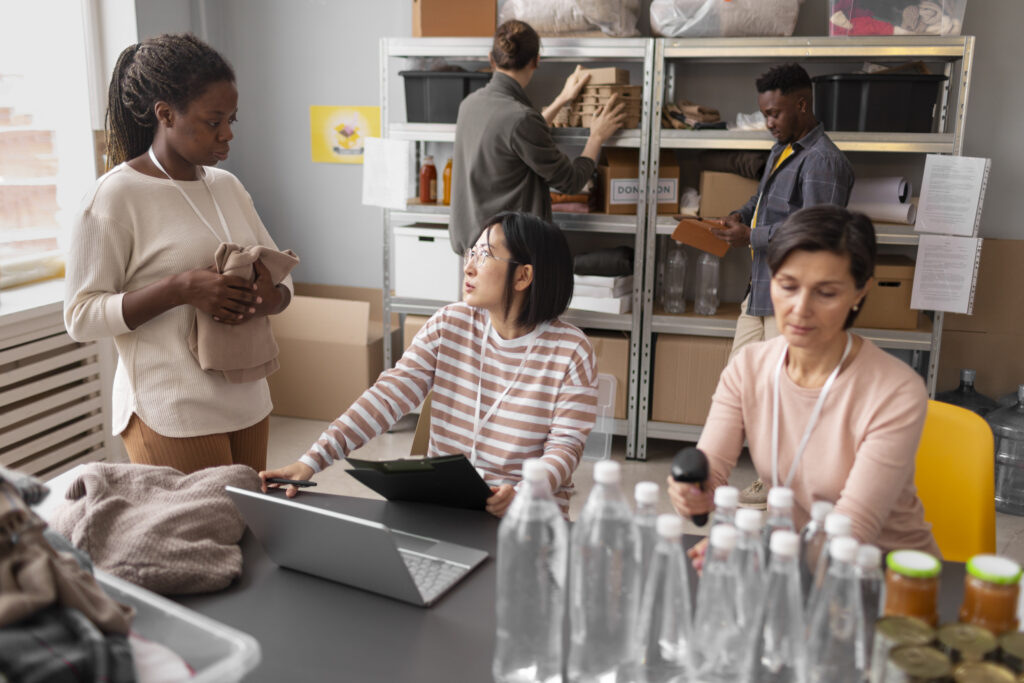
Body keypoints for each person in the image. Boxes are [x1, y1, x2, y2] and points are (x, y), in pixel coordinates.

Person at [261, 212, 598, 517]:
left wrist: (524, 494)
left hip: (526, 516)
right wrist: (310, 461)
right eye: (472, 252)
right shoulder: (449, 324)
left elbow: (565, 448)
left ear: (523, 276)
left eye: (485, 255)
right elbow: (386, 397)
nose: (469, 266)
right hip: (447, 504)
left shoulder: (570, 351)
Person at [64, 34, 293, 474]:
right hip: (170, 409)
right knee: (201, 540)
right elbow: (81, 316)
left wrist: (270, 297)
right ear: (165, 115)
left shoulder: (227, 186)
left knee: (246, 537)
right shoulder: (113, 198)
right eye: (214, 121)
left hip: (249, 399)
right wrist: (180, 289)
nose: (228, 134)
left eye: (232, 119)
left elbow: (283, 282)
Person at [668, 206, 940, 569]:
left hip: (890, 575)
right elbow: (711, 473)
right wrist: (692, 494)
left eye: (826, 292)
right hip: (795, 568)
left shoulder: (895, 390)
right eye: (788, 286)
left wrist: (753, 554)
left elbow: (854, 527)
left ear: (860, 292)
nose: (800, 308)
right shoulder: (748, 369)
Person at [710, 62, 855, 509]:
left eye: (774, 113)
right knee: (743, 385)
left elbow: (816, 234)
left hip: (793, 301)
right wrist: (740, 214)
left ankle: (790, 484)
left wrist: (749, 237)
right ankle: (773, 476)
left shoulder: (822, 161)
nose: (768, 122)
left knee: (789, 395)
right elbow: (763, 201)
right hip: (760, 292)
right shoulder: (783, 150)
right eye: (764, 114)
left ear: (801, 104)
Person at [448, 19, 626, 254]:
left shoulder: (469, 105)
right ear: (536, 61)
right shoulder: (520, 119)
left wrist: (563, 98)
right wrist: (596, 137)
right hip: (506, 254)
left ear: (492, 58)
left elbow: (515, 137)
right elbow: (570, 181)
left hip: (474, 250)